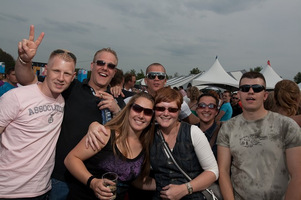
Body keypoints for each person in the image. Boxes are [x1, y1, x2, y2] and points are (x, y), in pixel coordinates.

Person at [14, 25, 125, 200]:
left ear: (114, 72)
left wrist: (117, 109)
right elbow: (28, 80)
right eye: (101, 63)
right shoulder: (71, 88)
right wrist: (24, 61)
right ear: (92, 65)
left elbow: (130, 134)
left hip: (99, 181)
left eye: (110, 66)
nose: (105, 68)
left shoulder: (119, 99)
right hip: (63, 179)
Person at [0, 27, 76, 199]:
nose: (61, 78)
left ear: (73, 77)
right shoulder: (16, 97)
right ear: (46, 70)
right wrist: (23, 60)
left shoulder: (62, 101)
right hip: (7, 190)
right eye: (56, 71)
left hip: (42, 190)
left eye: (67, 73)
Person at [217, 71, 301, 199]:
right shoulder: (228, 128)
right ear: (239, 94)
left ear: (265, 95)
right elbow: (223, 171)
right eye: (245, 88)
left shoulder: (287, 126)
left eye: (257, 89)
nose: (251, 92)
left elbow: (297, 175)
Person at [64, 92, 155, 200]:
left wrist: (165, 184)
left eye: (148, 112)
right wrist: (93, 182)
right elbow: (71, 159)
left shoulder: (145, 146)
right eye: (137, 108)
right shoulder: (105, 134)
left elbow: (133, 179)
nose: (141, 115)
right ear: (129, 109)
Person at [150, 87, 218, 199]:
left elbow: (212, 171)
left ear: (179, 112)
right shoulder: (149, 134)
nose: (166, 113)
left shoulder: (193, 132)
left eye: (172, 109)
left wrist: (184, 189)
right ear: (154, 110)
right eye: (161, 108)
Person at [124, 63, 200, 125]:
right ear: (146, 80)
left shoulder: (177, 102)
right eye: (152, 76)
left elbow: (195, 122)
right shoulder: (134, 100)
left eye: (160, 76)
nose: (156, 79)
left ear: (165, 81)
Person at [196, 92, 220, 159]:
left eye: (211, 106)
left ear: (216, 112)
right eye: (202, 106)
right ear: (197, 110)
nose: (206, 110)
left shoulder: (222, 134)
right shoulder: (189, 131)